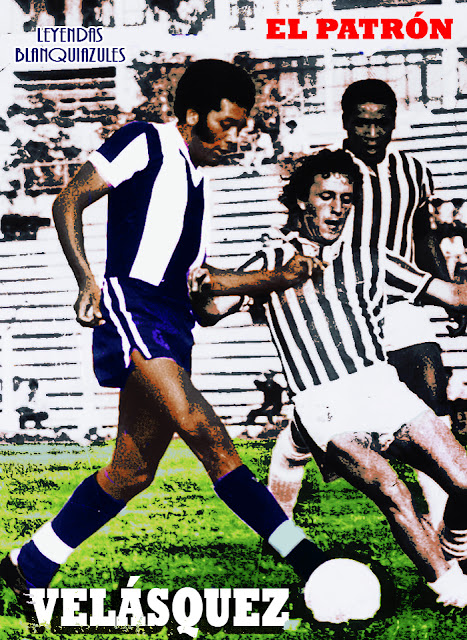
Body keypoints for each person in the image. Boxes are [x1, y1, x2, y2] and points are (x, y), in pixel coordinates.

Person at [0, 60, 353, 623]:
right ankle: (310, 562)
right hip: (131, 305)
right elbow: (68, 200)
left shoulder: (201, 188)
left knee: (132, 472)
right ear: (191, 114)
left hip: (173, 325)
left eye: (242, 127)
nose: (236, 137)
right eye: (227, 124)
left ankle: (29, 565)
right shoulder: (146, 141)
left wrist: (276, 279)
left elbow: (202, 295)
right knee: (207, 434)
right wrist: (87, 280)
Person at [190, 148, 467, 606]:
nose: (338, 208)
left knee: (464, 479)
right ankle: (451, 589)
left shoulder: (371, 257)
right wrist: (217, 279)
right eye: (326, 196)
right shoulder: (271, 258)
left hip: (382, 388)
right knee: (393, 491)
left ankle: (454, 545)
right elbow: (210, 310)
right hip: (324, 404)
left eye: (347, 198)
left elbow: (453, 296)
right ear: (304, 200)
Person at [269, 79, 455, 531]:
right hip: (340, 304)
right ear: (345, 123)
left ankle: (441, 527)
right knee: (321, 414)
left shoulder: (414, 172)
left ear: (394, 122)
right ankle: (278, 511)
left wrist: (448, 293)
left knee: (430, 400)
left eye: (381, 123)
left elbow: (424, 238)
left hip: (399, 295)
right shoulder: (332, 171)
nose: (372, 133)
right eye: (361, 123)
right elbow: (299, 223)